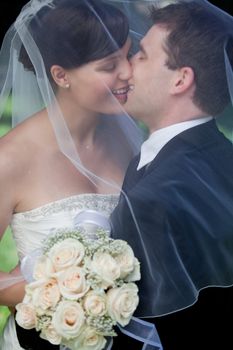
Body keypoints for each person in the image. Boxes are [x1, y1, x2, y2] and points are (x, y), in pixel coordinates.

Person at [0, 0, 143, 349]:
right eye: (110, 65)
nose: (127, 72)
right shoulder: (10, 158)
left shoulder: (130, 139)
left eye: (129, 55)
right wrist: (62, 296)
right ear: (61, 75)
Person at [111, 1, 233, 349]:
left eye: (143, 55)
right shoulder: (225, 156)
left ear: (180, 79)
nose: (128, 65)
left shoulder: (151, 201)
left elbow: (152, 331)